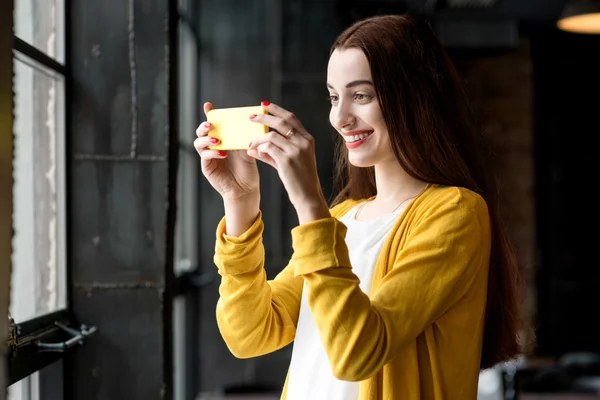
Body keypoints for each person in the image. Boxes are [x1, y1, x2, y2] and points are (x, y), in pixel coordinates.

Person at [194, 13, 527, 400]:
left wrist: (309, 202)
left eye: (361, 95)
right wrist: (240, 203)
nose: (340, 117)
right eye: (334, 97)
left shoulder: (456, 213)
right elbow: (249, 334)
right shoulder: (341, 217)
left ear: (414, 97)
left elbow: (358, 352)